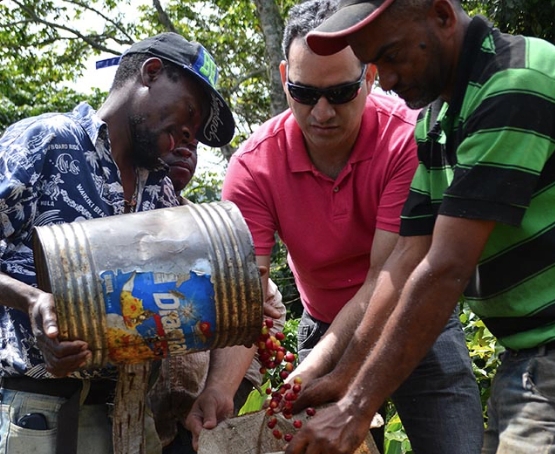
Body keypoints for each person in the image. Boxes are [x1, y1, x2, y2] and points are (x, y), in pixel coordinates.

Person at [282, 1, 555, 453]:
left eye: (392, 56)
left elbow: (446, 266)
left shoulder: (516, 82)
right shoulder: (438, 122)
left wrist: (357, 407)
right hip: (531, 356)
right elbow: (405, 257)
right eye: (377, 64)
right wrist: (341, 376)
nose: (387, 81)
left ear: (441, 15)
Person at [220, 1, 484, 453]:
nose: (322, 112)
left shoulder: (407, 137)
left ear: (370, 78)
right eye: (304, 93)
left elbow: (386, 277)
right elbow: (247, 297)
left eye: (340, 93)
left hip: (415, 317)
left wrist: (317, 369)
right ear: (285, 77)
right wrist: (220, 391)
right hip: (323, 327)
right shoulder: (253, 166)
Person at [0, 31, 236, 454]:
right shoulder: (49, 142)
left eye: (197, 129)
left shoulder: (161, 192)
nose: (188, 134)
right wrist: (31, 300)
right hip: (36, 411)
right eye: (190, 112)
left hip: (127, 419)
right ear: (150, 72)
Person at [150, 141, 286, 454]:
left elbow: (268, 305)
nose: (185, 151)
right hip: (139, 420)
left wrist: (225, 387)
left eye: (192, 146)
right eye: (171, 139)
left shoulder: (209, 234)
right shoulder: (115, 224)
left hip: (195, 422)